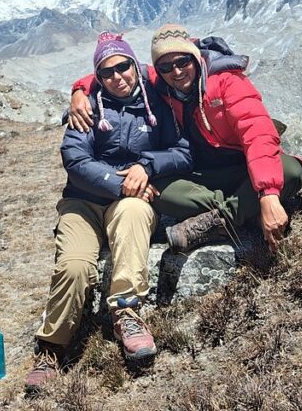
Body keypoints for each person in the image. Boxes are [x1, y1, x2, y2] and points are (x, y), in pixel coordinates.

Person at [25, 32, 192, 393]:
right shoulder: (87, 108)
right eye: (107, 72)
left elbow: (182, 150)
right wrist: (120, 184)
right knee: (75, 265)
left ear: (136, 66)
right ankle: (52, 347)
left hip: (130, 200)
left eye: (123, 67)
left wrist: (147, 166)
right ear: (97, 78)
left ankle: (126, 313)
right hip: (82, 201)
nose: (118, 77)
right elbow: (75, 159)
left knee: (133, 214)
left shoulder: (157, 100)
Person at [68, 24, 302, 255]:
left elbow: (258, 134)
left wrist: (268, 194)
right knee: (158, 190)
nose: (175, 71)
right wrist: (80, 90)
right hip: (203, 175)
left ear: (195, 57)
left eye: (182, 61)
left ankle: (217, 221)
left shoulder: (228, 82)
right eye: (165, 67)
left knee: (289, 170)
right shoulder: (162, 82)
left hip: (244, 169)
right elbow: (122, 69)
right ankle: (244, 205)